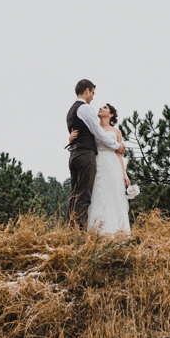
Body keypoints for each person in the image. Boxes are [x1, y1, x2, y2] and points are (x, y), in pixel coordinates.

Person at [66, 79, 125, 229]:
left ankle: (69, 228)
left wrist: (70, 139)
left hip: (74, 155)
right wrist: (117, 145)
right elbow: (99, 134)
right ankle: (78, 230)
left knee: (75, 193)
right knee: (84, 195)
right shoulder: (86, 109)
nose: (93, 97)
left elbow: (78, 132)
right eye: (92, 92)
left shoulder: (70, 111)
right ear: (87, 90)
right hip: (85, 155)